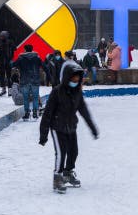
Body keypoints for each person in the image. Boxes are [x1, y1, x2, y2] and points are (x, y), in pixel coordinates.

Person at [39, 63, 99, 193]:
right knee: (61, 153)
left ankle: (67, 173)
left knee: (73, 152)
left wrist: (92, 128)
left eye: (78, 79)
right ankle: (57, 177)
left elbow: (84, 111)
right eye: (73, 79)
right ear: (67, 78)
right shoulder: (57, 92)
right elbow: (47, 113)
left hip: (71, 126)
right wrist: (43, 135)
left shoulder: (77, 92)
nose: (76, 81)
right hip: (57, 127)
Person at [12, 44, 44, 120]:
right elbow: (44, 66)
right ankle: (35, 114)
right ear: (32, 50)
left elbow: (13, 65)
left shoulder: (21, 58)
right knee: (35, 97)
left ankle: (27, 113)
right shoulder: (37, 58)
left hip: (24, 80)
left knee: (25, 98)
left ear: (25, 50)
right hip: (35, 80)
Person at [0, 30, 16, 96]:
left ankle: (9, 90)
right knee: (2, 76)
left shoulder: (10, 42)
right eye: (1, 36)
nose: (1, 37)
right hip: (3, 61)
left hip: (7, 60)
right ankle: (4, 89)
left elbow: (14, 49)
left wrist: (10, 48)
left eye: (2, 36)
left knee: (8, 75)